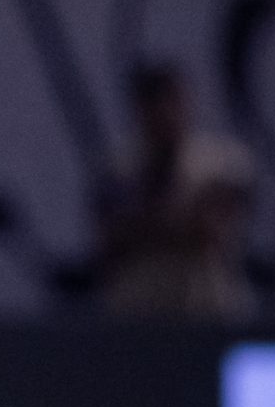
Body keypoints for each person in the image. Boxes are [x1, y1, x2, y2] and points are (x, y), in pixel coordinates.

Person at [95, 62, 258, 321]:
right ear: (140, 111)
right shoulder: (117, 170)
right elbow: (110, 241)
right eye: (154, 105)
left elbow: (211, 230)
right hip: (138, 316)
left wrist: (145, 225)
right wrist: (182, 218)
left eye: (171, 103)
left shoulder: (221, 163)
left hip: (207, 314)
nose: (165, 116)